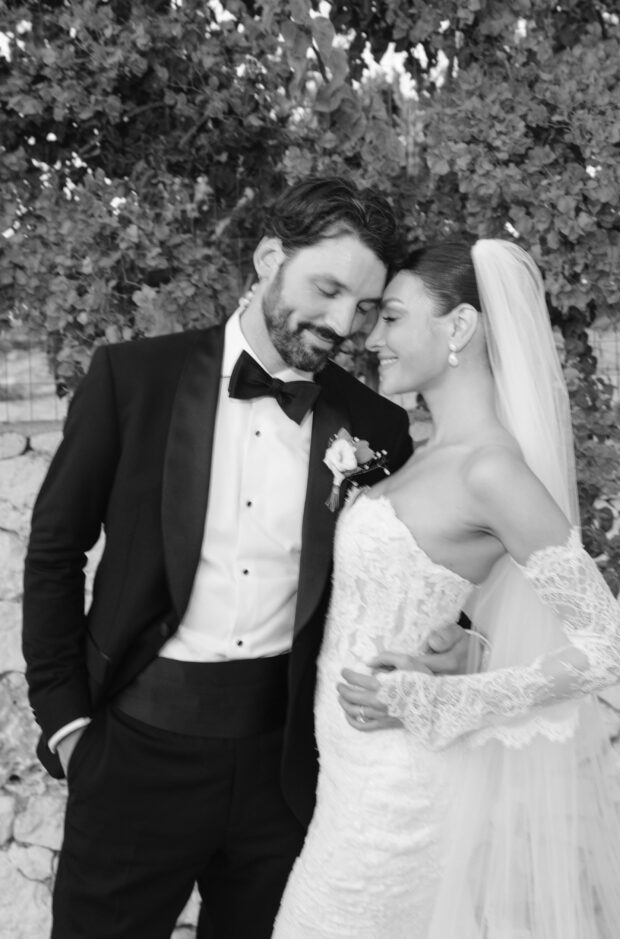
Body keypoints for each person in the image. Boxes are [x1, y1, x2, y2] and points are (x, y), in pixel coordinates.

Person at [22, 177, 421, 939]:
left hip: (285, 769)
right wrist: (68, 724)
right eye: (328, 288)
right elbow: (53, 549)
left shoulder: (376, 428)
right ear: (269, 255)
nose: (344, 323)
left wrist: (453, 637)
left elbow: (391, 569)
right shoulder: (132, 377)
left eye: (366, 308)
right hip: (134, 750)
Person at [273, 239, 620, 938]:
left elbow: (609, 647)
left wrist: (441, 697)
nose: (373, 337)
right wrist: (468, 649)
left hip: (401, 797)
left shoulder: (491, 470)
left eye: (392, 317)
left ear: (456, 328)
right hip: (349, 781)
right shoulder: (423, 451)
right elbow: (452, 607)